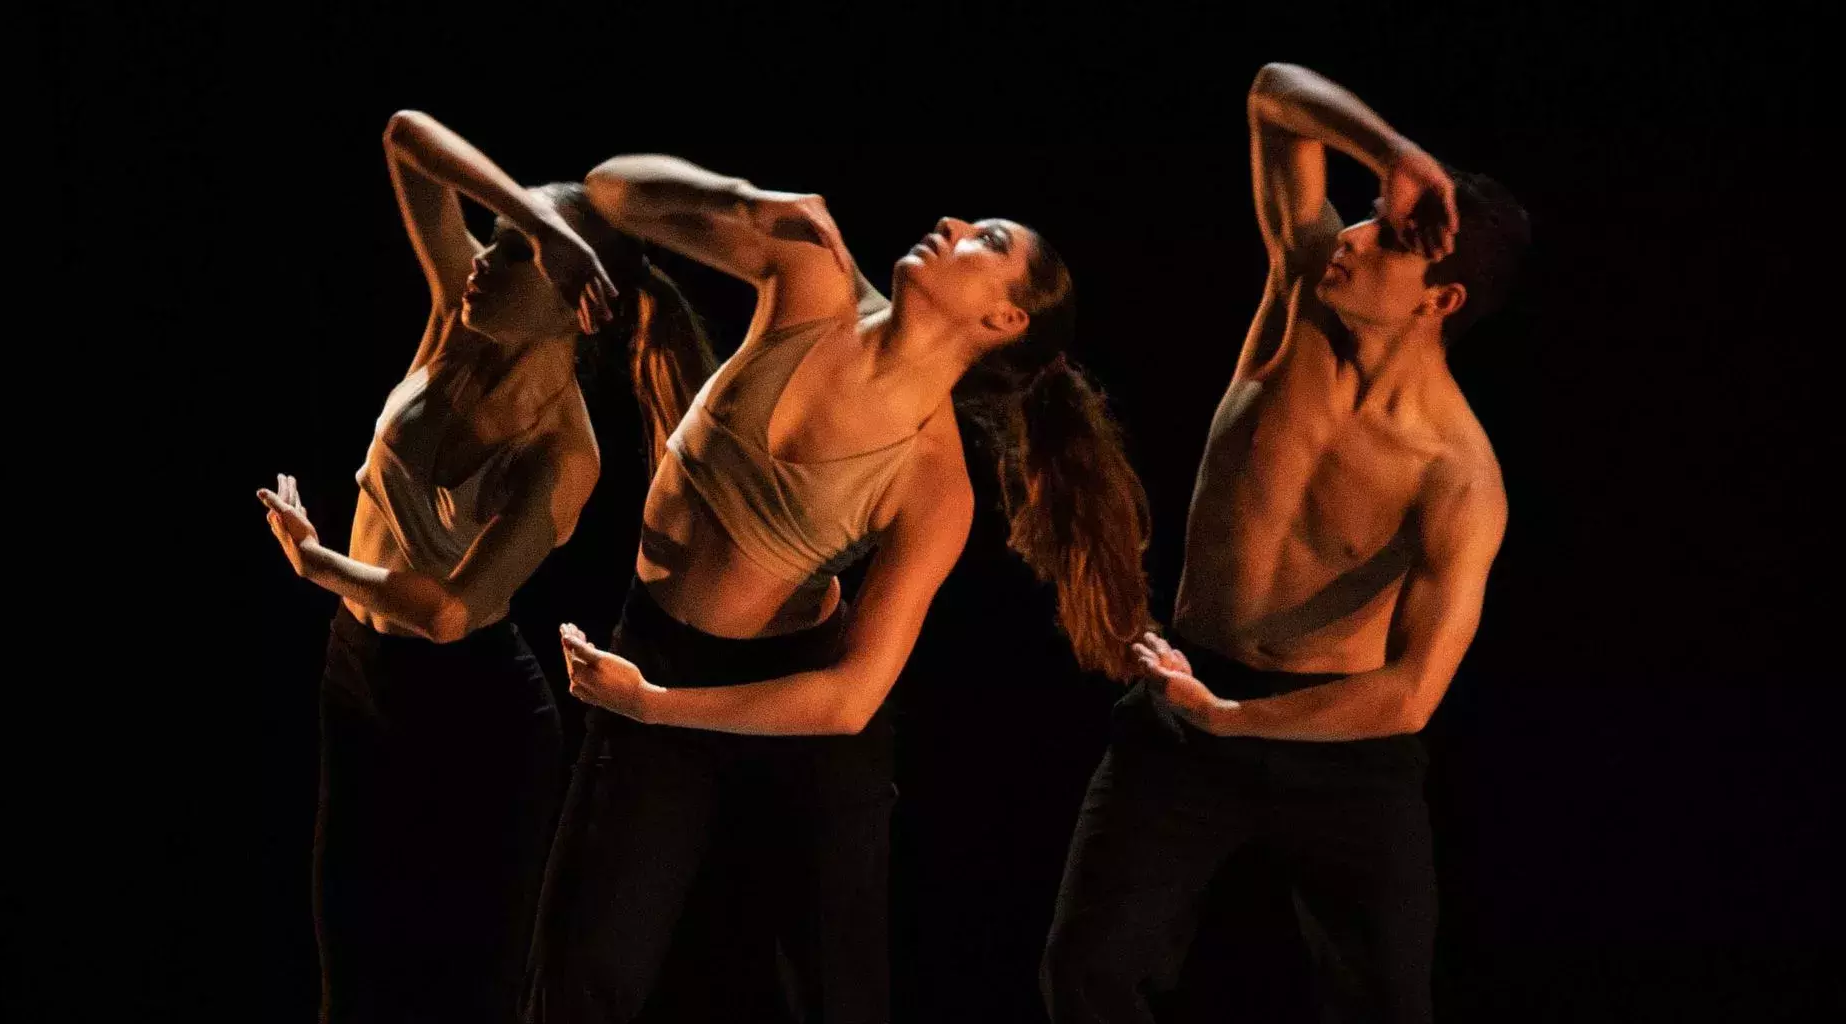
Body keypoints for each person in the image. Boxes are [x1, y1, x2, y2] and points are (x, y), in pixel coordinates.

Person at [529, 154, 1154, 1022]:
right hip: (656, 653)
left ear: (1004, 318)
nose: (955, 226)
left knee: (834, 987)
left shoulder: (934, 485)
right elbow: (609, 190)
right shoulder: (811, 276)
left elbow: (851, 697)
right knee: (585, 969)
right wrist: (744, 200)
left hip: (797, 706)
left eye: (989, 241)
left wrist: (653, 705)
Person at [1040, 63, 1529, 1023]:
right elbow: (1272, 92)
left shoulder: (1457, 475)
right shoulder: (1298, 302)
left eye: (1387, 239)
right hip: (1187, 710)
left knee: (1388, 1002)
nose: (1348, 239)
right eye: (1365, 216)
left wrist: (1229, 718)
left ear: (1442, 301)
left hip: (1342, 744)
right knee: (1086, 973)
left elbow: (1410, 694)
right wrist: (1395, 155)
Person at [254, 112, 715, 1022]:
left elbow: (453, 612)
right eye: (502, 237)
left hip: (474, 723)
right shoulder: (452, 319)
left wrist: (319, 563)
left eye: (513, 254)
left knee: (464, 986)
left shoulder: (561, 453)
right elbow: (402, 137)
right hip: (359, 678)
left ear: (574, 304)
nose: (483, 259)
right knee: (349, 970)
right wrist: (542, 224)